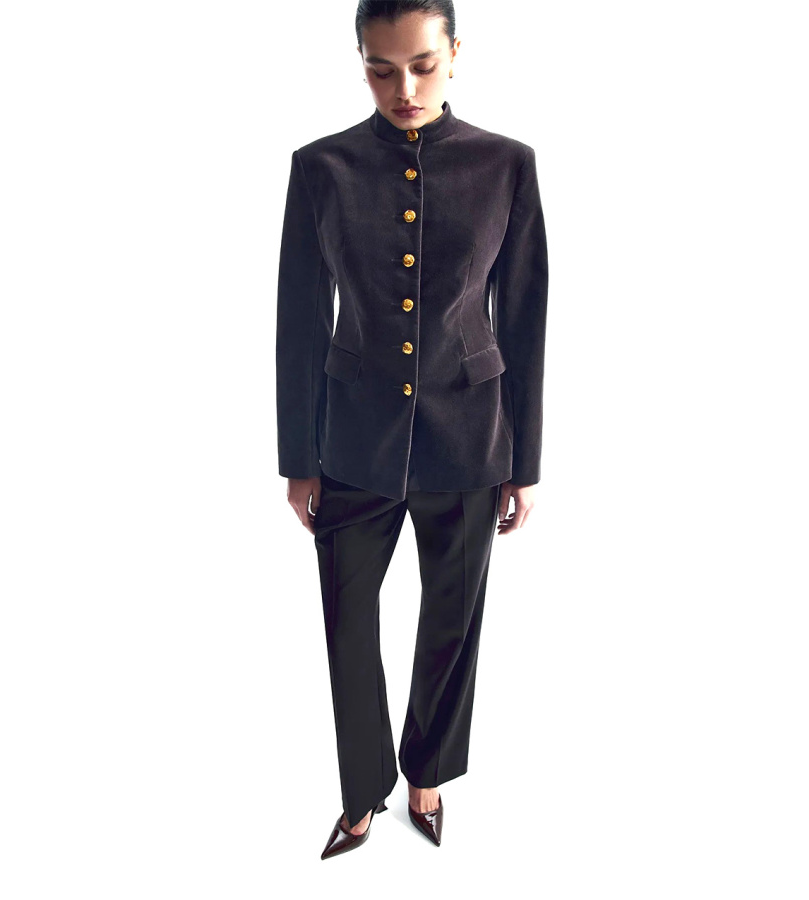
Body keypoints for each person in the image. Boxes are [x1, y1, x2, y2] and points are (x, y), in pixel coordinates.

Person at [275, 0, 549, 859]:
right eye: (380, 67)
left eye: (423, 65)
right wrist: (298, 457)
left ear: (455, 54)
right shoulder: (320, 167)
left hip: (468, 437)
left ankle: (428, 775)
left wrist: (525, 461)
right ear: (358, 60)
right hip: (351, 439)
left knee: (452, 622)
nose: (403, 87)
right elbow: (298, 319)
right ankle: (361, 791)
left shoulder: (505, 165)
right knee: (347, 622)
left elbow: (524, 316)